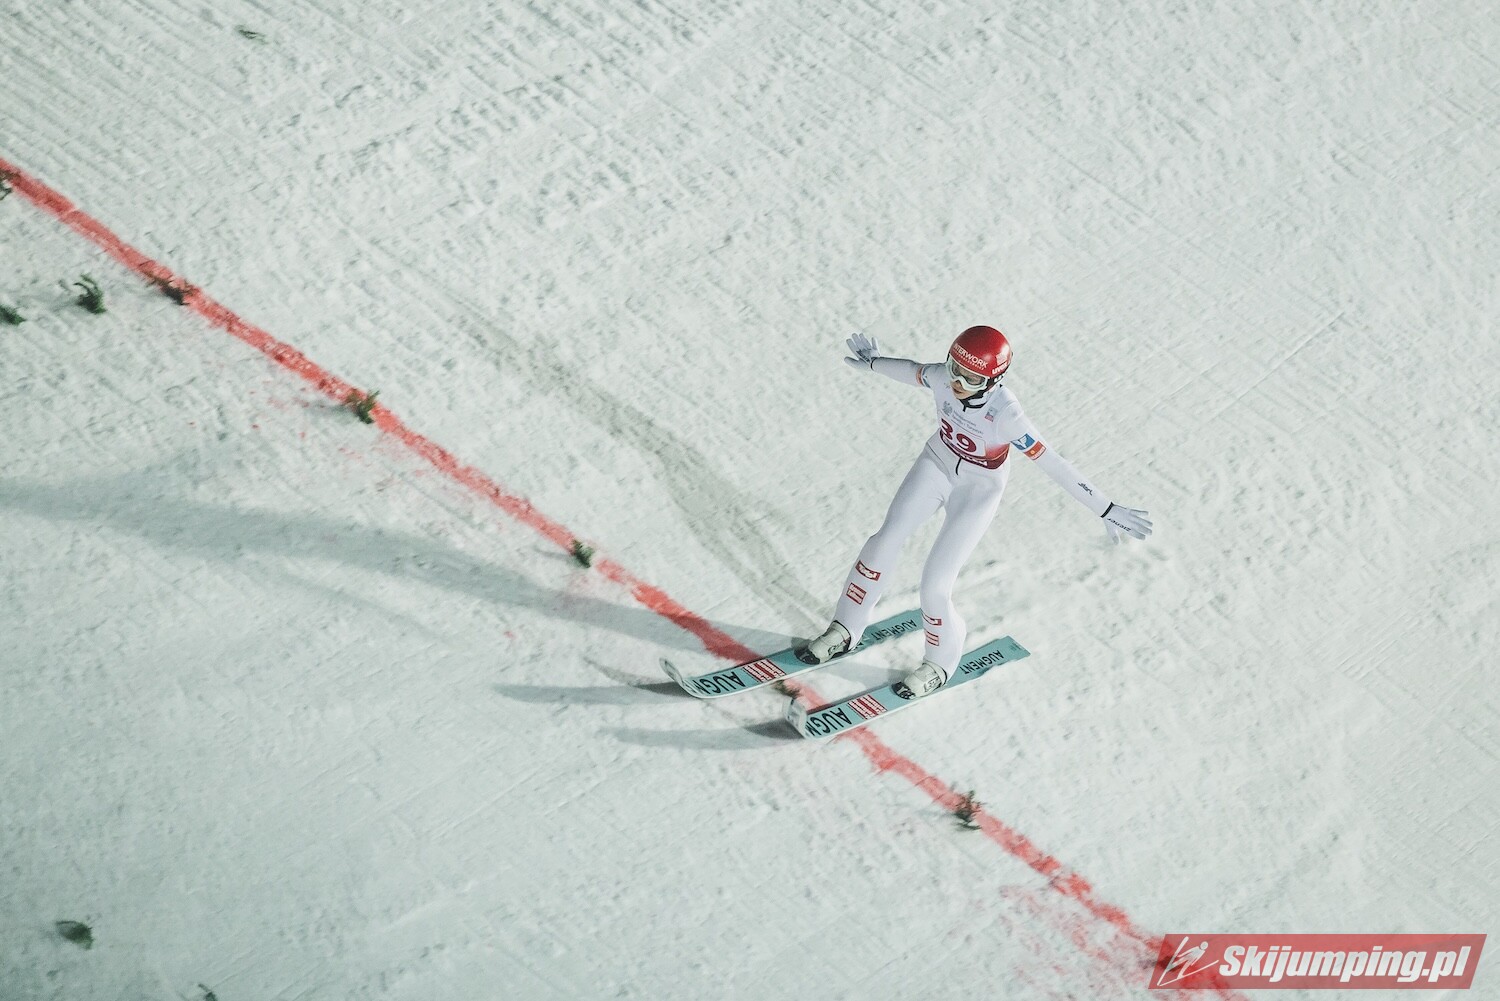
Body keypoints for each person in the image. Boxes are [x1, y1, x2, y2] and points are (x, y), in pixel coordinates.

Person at [795, 326, 1153, 697]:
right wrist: (874, 363)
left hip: (977, 489)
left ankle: (939, 663)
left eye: (971, 378)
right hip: (936, 464)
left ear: (993, 381)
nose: (958, 383)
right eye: (954, 369)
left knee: (935, 585)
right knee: (882, 542)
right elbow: (914, 370)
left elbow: (1053, 462)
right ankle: (846, 627)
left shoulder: (1006, 415)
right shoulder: (943, 377)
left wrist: (1105, 507)